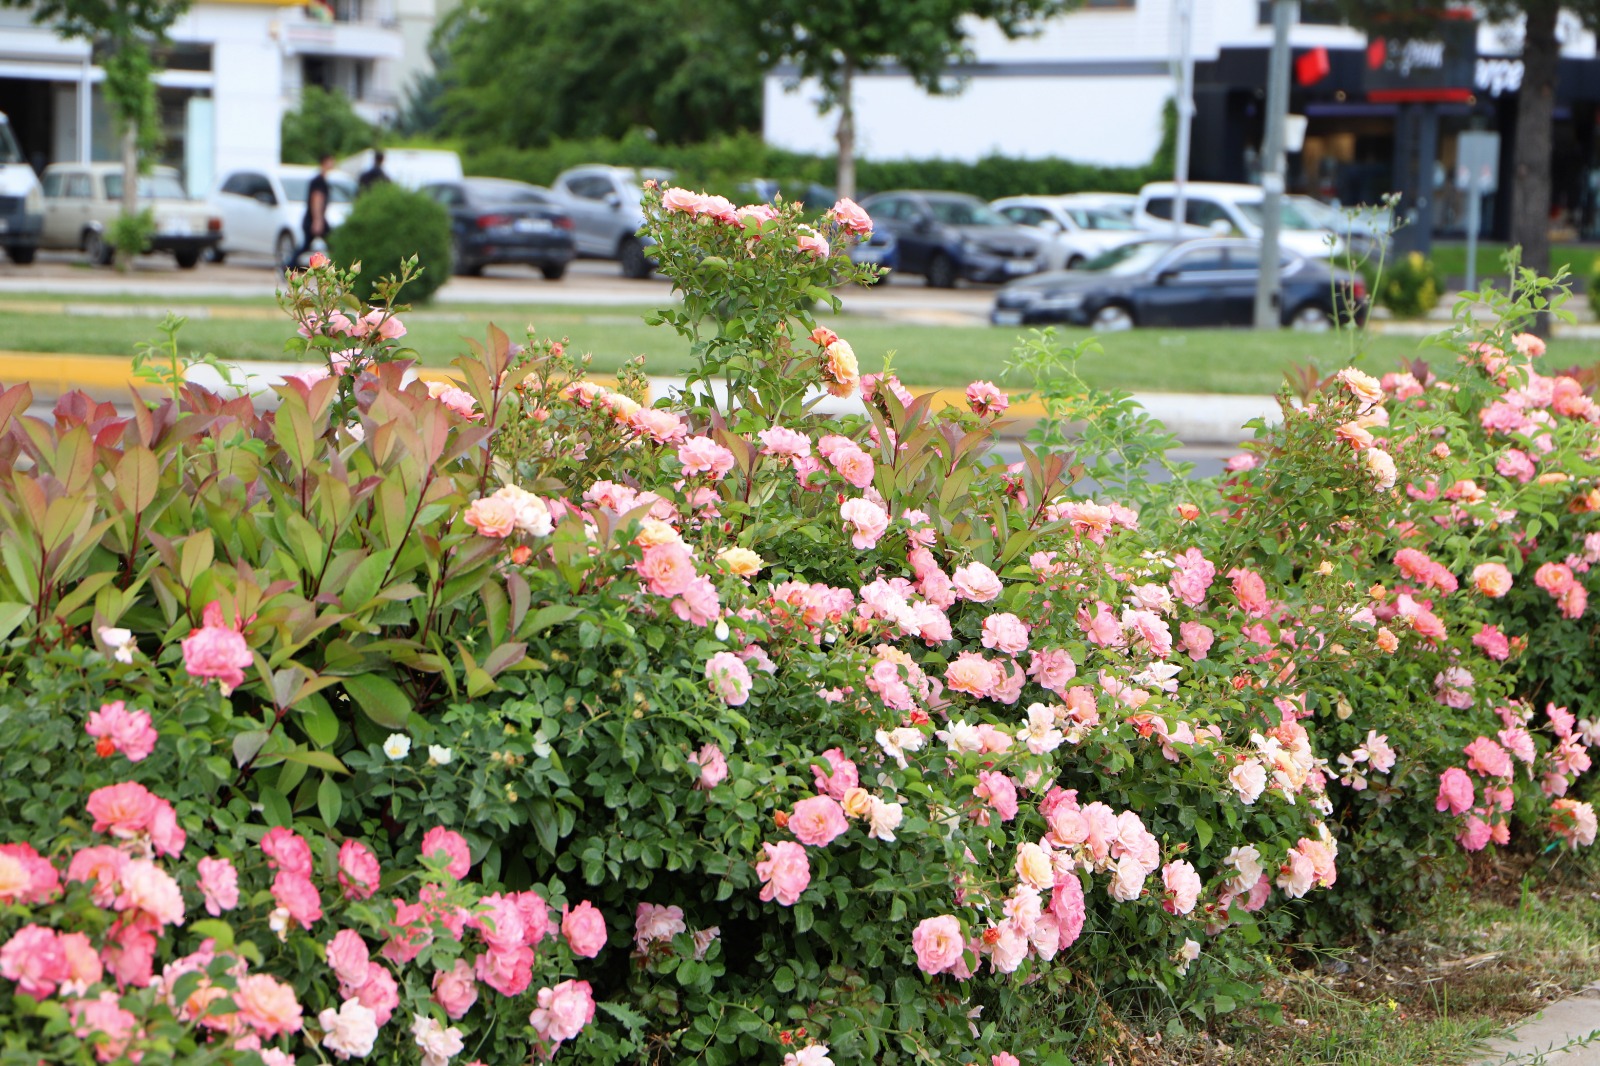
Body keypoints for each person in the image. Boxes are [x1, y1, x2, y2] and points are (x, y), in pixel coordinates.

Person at [287, 153, 335, 271]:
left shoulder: (321, 180)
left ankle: (288, 266)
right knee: (330, 243)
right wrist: (317, 220)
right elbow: (316, 200)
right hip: (314, 219)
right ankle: (288, 267)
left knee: (307, 245)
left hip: (315, 219)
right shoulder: (319, 181)